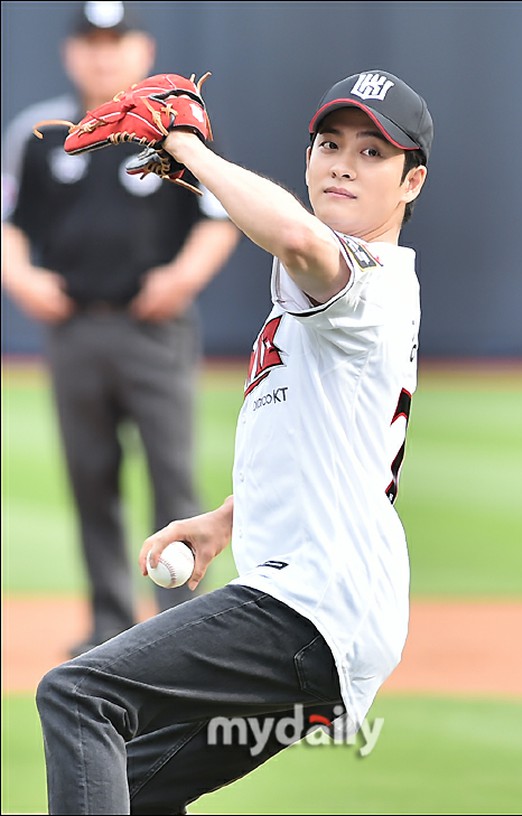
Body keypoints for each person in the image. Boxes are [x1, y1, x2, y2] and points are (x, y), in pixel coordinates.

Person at [35, 67, 433, 814]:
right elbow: (334, 445)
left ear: (410, 183)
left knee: (79, 694)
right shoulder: (353, 286)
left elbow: (291, 234)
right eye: (329, 143)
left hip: (310, 606)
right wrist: (229, 519)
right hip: (330, 615)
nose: (344, 161)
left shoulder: (363, 277)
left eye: (374, 153)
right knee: (134, 788)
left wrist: (184, 144)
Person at [1, 1, 241, 657]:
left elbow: (219, 218)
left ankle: (181, 631)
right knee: (90, 477)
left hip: (153, 331)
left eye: (117, 39)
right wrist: (22, 279)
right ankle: (109, 623)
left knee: (172, 477)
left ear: (143, 49)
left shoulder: (173, 131)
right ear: (70, 51)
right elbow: (11, 224)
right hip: (75, 328)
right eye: (91, 40)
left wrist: (182, 279)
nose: (103, 53)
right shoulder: (40, 133)